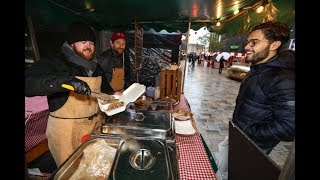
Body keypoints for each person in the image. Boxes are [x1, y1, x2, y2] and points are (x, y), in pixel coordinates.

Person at [25, 21, 115, 166]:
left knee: (94, 168)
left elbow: (107, 91)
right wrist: (66, 82)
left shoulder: (96, 67)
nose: (88, 46)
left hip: (94, 126)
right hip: (66, 132)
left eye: (92, 43)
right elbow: (28, 82)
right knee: (71, 171)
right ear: (71, 43)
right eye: (83, 41)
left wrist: (119, 96)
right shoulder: (56, 62)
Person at [232, 21, 295, 155]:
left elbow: (290, 127)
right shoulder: (258, 68)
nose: (247, 47)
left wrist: (250, 131)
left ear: (274, 45)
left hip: (254, 147)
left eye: (254, 42)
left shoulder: (283, 78)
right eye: (248, 42)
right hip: (240, 137)